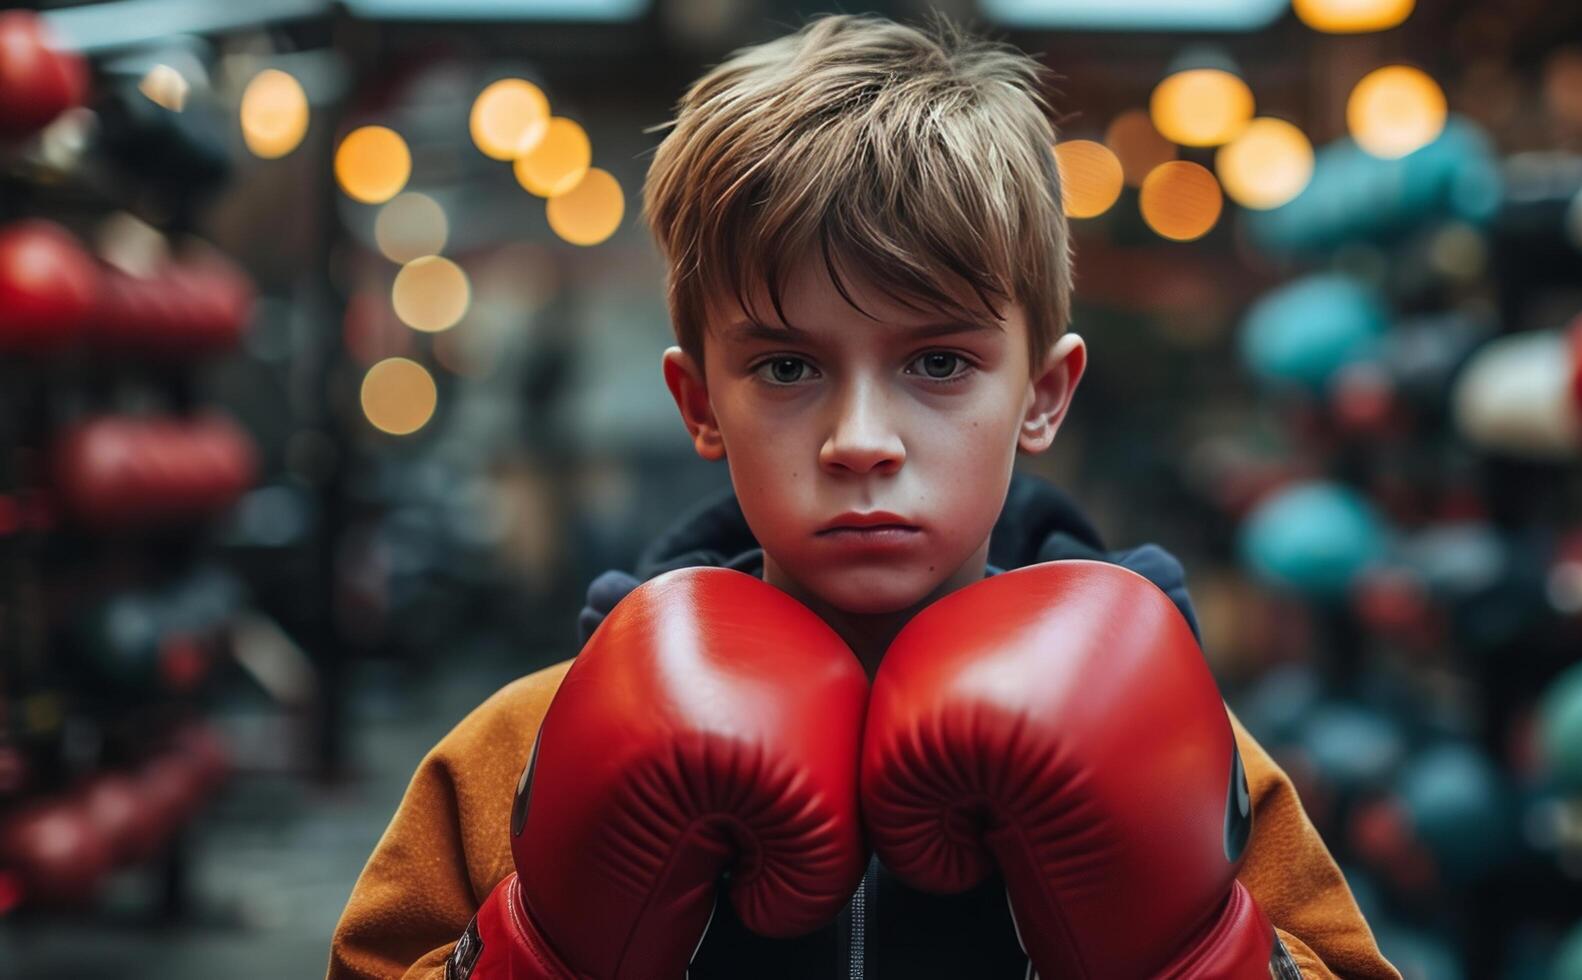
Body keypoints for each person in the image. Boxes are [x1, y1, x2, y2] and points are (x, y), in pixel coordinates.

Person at [327, 13, 1400, 979]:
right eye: (787, 367)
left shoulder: (1189, 749)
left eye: (937, 363)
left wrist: (1192, 948)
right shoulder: (533, 739)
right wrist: (546, 947)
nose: (860, 441)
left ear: (1044, 394)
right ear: (700, 403)